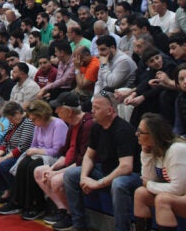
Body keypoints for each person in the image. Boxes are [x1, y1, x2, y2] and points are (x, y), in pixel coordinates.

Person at [58, 91, 141, 231]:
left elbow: (126, 167)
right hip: (105, 169)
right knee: (71, 175)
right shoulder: (96, 127)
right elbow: (89, 156)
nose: (92, 111)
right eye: (92, 107)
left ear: (109, 110)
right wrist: (84, 177)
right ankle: (79, 224)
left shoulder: (123, 130)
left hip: (130, 175)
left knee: (118, 184)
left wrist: (98, 183)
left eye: (96, 108)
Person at [0, 100, 68, 218]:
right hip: (39, 153)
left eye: (34, 119)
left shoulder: (58, 125)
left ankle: (38, 205)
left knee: (32, 167)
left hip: (54, 157)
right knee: (22, 164)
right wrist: (33, 151)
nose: (33, 122)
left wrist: (36, 151)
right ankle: (19, 201)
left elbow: (57, 151)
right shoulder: (38, 126)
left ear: (42, 116)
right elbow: (33, 144)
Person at [34, 91, 95, 226]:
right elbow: (65, 152)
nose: (55, 111)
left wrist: (55, 173)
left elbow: (82, 160)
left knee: (56, 180)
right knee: (39, 171)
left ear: (68, 111)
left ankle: (73, 216)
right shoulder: (72, 124)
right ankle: (63, 210)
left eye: (58, 109)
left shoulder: (88, 125)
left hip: (84, 166)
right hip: (71, 163)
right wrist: (52, 168)